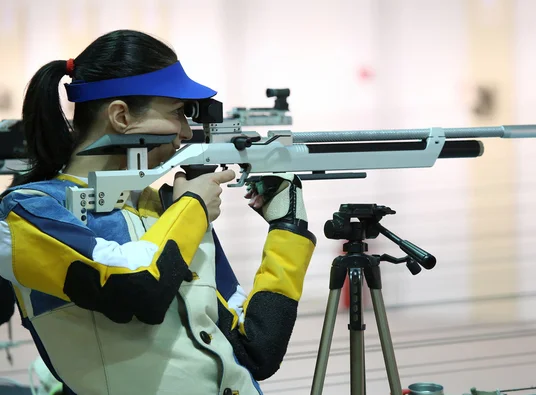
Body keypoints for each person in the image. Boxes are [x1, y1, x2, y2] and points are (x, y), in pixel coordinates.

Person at [0, 29, 316, 395]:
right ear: (120, 116)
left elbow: (257, 349)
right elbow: (135, 288)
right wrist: (193, 207)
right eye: (178, 113)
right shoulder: (26, 212)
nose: (185, 132)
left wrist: (288, 228)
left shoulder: (164, 208)